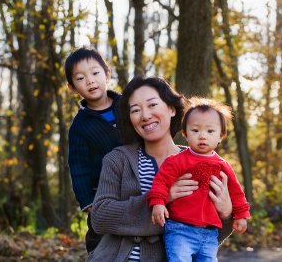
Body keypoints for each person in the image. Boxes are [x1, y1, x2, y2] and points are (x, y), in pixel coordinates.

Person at [89, 77, 233, 262]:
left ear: (172, 109)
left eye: (152, 105)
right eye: (135, 110)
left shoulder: (206, 164)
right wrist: (164, 197)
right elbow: (100, 217)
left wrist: (227, 214)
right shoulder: (117, 159)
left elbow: (206, 241)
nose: (145, 115)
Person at [147, 97, 251, 261]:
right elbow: (160, 182)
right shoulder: (176, 161)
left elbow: (236, 193)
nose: (203, 136)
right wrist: (158, 203)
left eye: (210, 131)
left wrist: (241, 215)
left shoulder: (223, 166)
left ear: (221, 136)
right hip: (180, 229)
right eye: (195, 130)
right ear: (185, 133)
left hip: (209, 233)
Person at [65, 47, 122, 253]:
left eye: (95, 73)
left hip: (140, 184)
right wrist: (87, 200)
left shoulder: (127, 106)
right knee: (102, 241)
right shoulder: (80, 126)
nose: (90, 81)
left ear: (107, 73)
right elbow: (78, 165)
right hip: (104, 192)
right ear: (72, 86)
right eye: (81, 78)